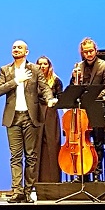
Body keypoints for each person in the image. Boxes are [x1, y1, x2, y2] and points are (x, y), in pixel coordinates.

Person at [0, 41, 56, 203]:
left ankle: (28, 191)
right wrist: (16, 81)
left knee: (31, 156)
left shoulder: (35, 69)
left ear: (26, 52)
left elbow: (44, 88)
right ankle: (17, 191)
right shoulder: (5, 70)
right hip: (13, 117)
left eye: (19, 47)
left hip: (30, 117)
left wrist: (50, 99)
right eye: (14, 47)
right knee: (15, 157)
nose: (16, 49)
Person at [69, 37, 105, 182]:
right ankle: (82, 173)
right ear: (82, 52)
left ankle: (97, 172)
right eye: (86, 51)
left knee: (98, 143)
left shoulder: (104, 66)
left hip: (96, 108)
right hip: (82, 111)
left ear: (95, 50)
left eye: (91, 51)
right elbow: (73, 89)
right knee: (82, 142)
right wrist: (73, 78)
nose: (89, 54)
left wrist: (93, 99)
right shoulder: (78, 67)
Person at [35, 55, 63, 183]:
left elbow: (61, 98)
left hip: (51, 114)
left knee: (52, 145)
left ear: (49, 65)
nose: (42, 66)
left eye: (45, 64)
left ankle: (54, 180)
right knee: (37, 147)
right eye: (40, 64)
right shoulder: (32, 80)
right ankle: (36, 182)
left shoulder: (56, 81)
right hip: (37, 114)